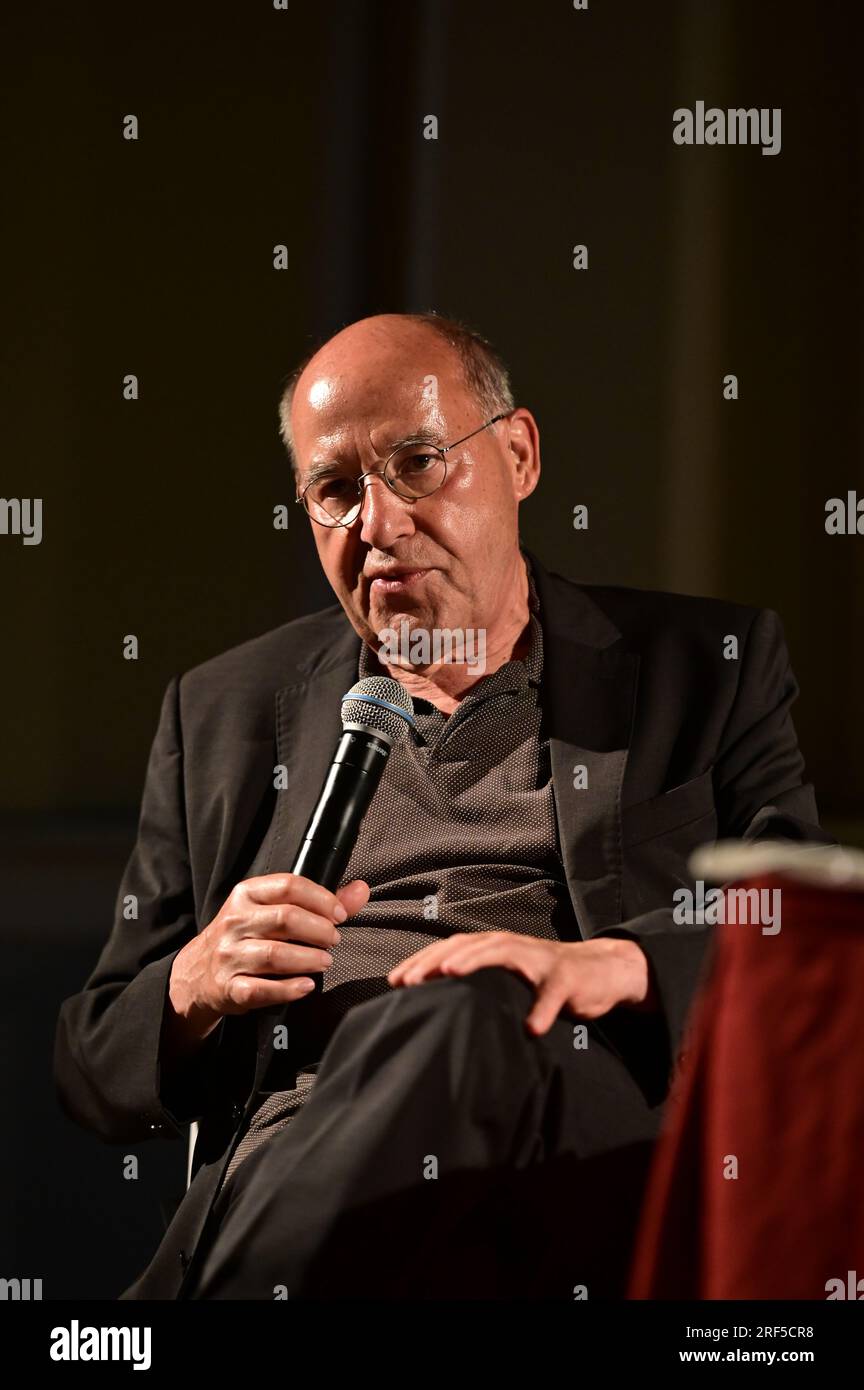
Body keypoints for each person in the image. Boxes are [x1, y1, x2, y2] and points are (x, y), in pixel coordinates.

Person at [54, 312, 830, 1300]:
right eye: (336, 490)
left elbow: (793, 929)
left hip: (578, 1123)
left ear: (518, 455)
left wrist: (618, 961)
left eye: (417, 462)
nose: (377, 525)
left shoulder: (704, 667)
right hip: (311, 1151)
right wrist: (197, 981)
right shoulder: (225, 711)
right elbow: (90, 1065)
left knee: (461, 1013)